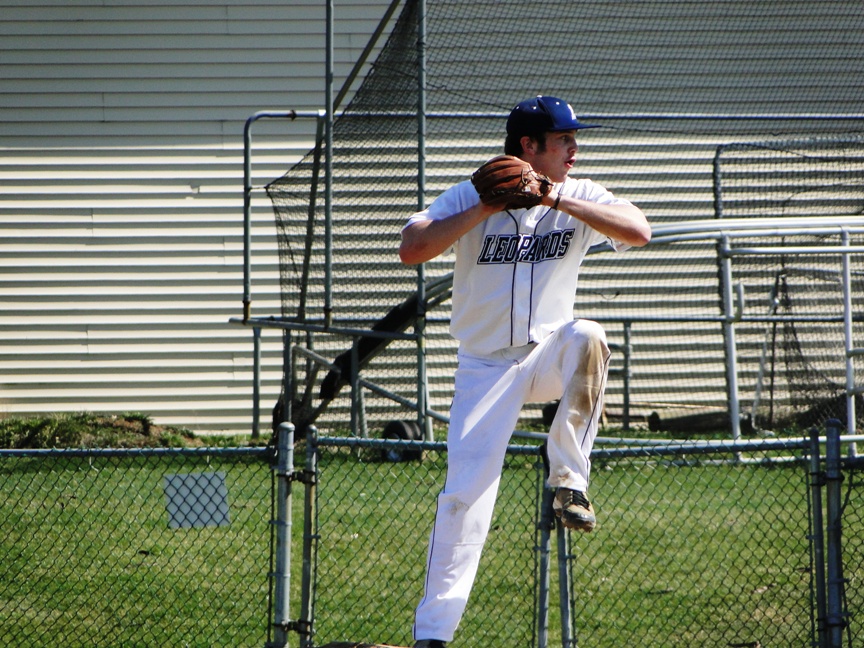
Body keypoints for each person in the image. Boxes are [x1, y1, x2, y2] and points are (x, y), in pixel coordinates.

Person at [398, 95, 651, 648]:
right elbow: (412, 248)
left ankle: (570, 482)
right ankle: (433, 635)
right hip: (485, 367)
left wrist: (554, 196)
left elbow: (639, 230)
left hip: (547, 354)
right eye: (563, 140)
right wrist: (485, 207)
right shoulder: (472, 193)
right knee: (464, 498)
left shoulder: (576, 193)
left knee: (589, 335)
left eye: (573, 139)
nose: (574, 149)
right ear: (528, 145)